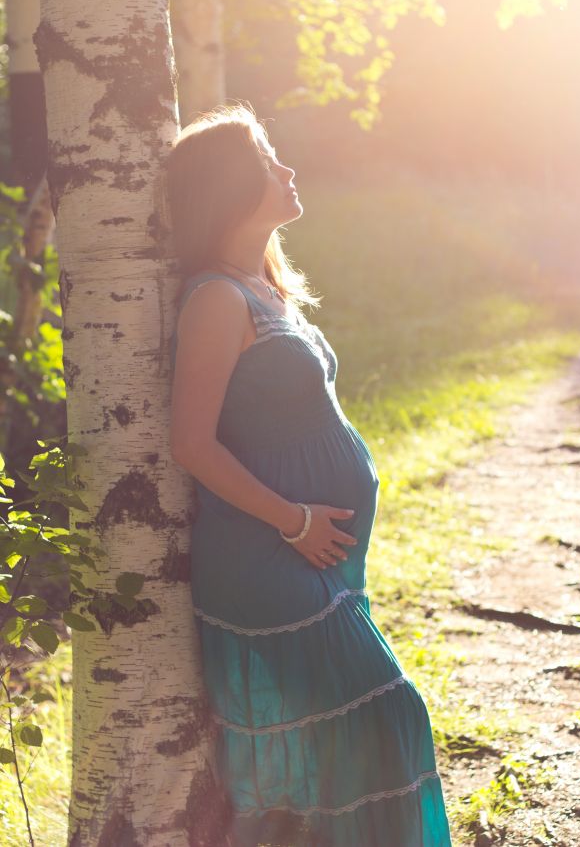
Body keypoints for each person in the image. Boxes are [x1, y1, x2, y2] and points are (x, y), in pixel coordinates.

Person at [166, 101, 452, 847]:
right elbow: (192, 444)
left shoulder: (263, 287)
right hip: (270, 556)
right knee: (388, 719)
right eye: (268, 163)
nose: (288, 170)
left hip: (316, 555)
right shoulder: (214, 300)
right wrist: (293, 521)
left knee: (340, 758)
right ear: (230, 188)